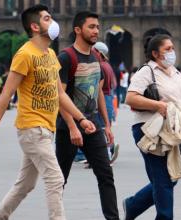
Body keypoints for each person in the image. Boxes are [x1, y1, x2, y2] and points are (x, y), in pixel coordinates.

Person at [0, 5, 96, 220]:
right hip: (32, 128)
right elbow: (7, 93)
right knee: (55, 178)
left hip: (46, 128)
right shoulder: (25, 54)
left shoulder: (51, 54)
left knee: (25, 184)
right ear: (34, 26)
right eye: (47, 19)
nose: (53, 23)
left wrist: (80, 119)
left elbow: (60, 94)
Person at [124, 34, 181, 219]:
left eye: (172, 48)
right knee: (163, 178)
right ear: (155, 53)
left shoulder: (176, 73)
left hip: (171, 131)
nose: (172, 52)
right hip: (149, 129)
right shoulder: (147, 71)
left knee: (168, 179)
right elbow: (131, 97)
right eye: (167, 49)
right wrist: (158, 105)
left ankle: (133, 205)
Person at [55, 11, 120, 220]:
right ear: (78, 30)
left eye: (97, 27)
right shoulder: (65, 57)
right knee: (60, 179)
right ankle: (55, 216)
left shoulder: (95, 57)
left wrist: (106, 125)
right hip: (69, 128)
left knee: (106, 175)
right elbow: (59, 96)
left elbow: (99, 91)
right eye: (91, 27)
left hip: (92, 126)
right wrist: (73, 127)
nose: (96, 31)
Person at [93, 41, 119, 164]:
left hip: (103, 97)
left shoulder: (100, 66)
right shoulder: (107, 65)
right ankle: (110, 148)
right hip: (109, 96)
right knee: (105, 126)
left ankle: (107, 153)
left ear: (98, 52)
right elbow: (114, 83)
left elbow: (98, 88)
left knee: (101, 127)